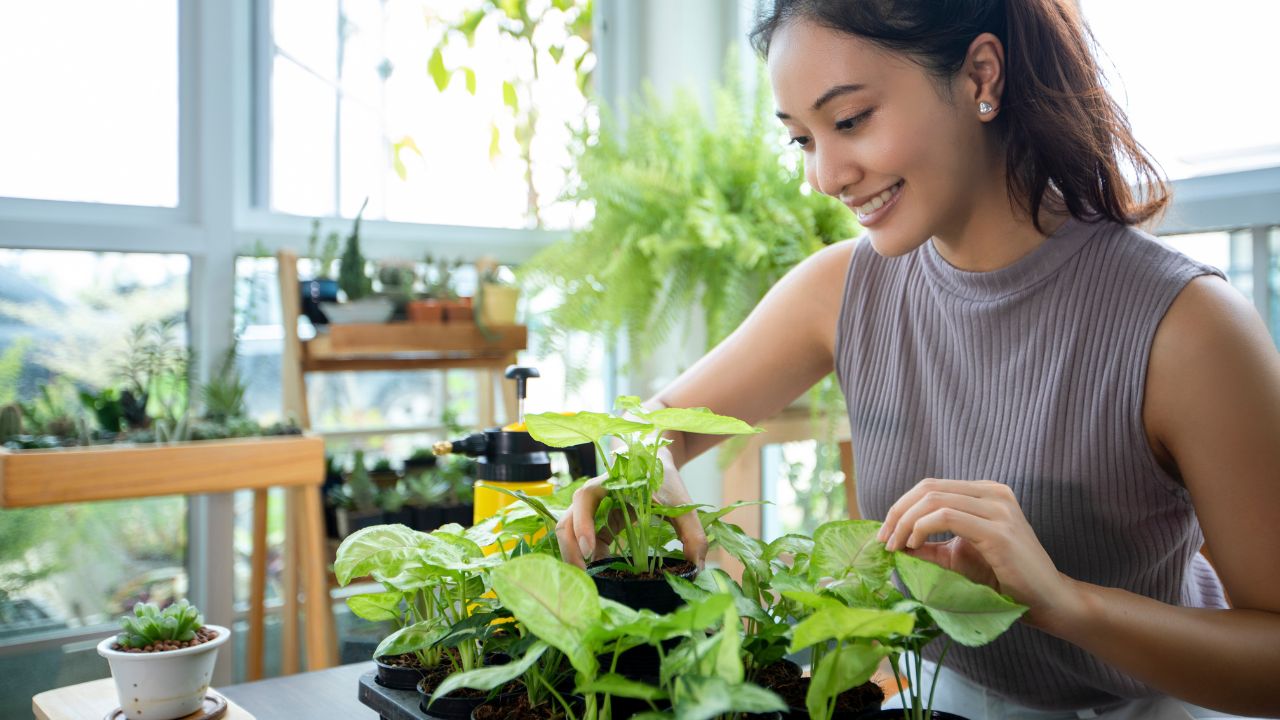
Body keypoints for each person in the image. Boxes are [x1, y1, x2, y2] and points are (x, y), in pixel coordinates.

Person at [554, 0, 1280, 718]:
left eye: (849, 121)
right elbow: (647, 427)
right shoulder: (841, 289)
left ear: (980, 77)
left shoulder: (1188, 326)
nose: (827, 176)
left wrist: (1064, 604)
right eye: (801, 140)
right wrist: (645, 471)